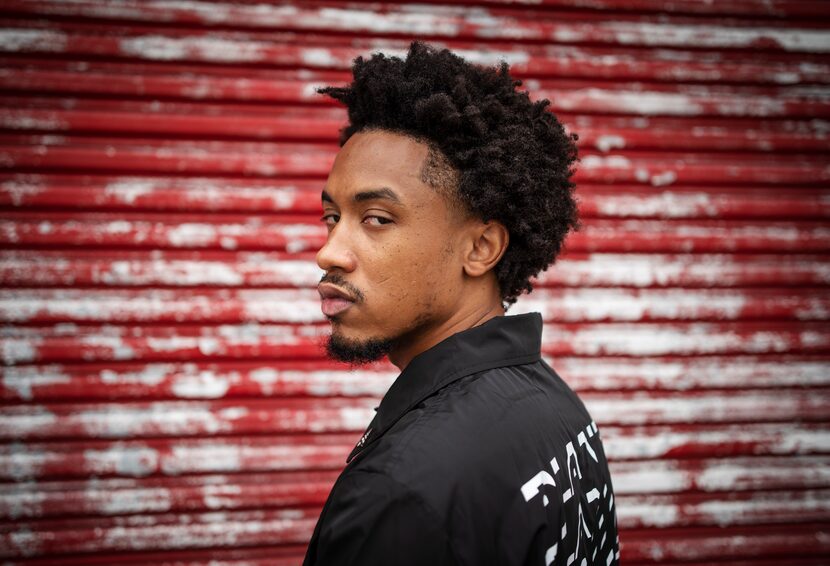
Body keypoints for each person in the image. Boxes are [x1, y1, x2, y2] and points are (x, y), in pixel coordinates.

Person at [303, 41, 619, 566]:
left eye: (377, 219)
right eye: (332, 217)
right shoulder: (556, 408)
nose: (328, 252)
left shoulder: (400, 492)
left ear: (480, 249)